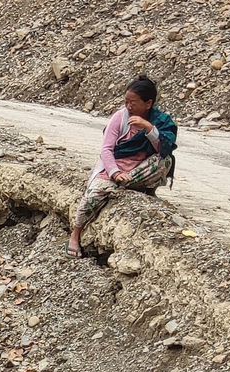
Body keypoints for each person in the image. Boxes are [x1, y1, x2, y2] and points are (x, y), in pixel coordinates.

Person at [67, 76, 178, 258]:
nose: (128, 106)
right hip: (115, 165)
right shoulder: (120, 117)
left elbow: (163, 148)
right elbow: (106, 149)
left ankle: (148, 190)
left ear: (148, 103)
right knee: (92, 197)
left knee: (165, 161)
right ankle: (75, 233)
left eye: (133, 103)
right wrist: (115, 172)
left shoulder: (160, 120)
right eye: (126, 102)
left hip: (139, 167)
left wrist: (149, 128)